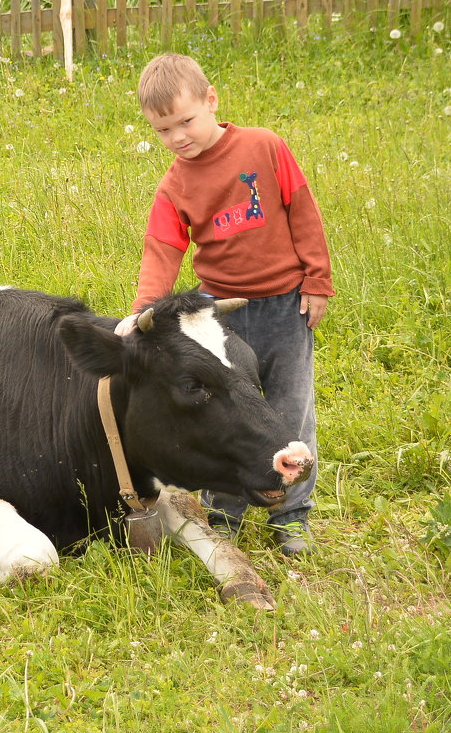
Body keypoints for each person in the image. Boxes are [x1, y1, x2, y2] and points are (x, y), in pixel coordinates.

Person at [116, 53, 334, 557]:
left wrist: (317, 281)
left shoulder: (265, 147)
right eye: (163, 130)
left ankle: (292, 516)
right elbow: (162, 250)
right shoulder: (175, 186)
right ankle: (224, 514)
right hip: (220, 319)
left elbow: (303, 214)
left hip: (286, 309)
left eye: (186, 121)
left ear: (212, 100)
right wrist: (144, 310)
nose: (177, 138)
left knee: (289, 410)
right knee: (222, 413)